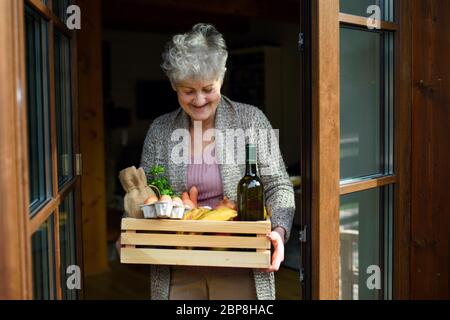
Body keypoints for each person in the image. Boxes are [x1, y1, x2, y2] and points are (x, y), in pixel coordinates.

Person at [124, 23, 295, 300]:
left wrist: (278, 229)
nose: (199, 99)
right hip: (177, 269)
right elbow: (148, 194)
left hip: (241, 266)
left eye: (208, 88)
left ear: (222, 78)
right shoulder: (160, 130)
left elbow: (278, 186)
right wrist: (131, 227)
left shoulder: (251, 121)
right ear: (173, 85)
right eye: (188, 91)